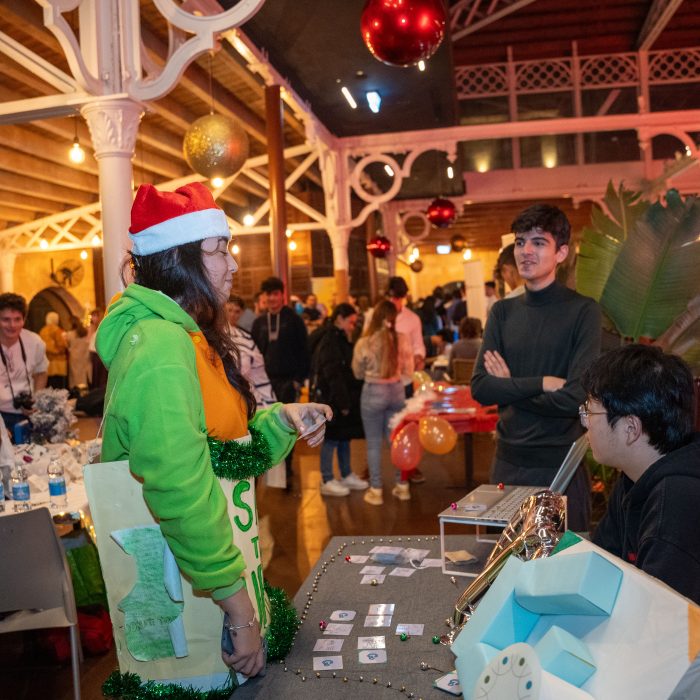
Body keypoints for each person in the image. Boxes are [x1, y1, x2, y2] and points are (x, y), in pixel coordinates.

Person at [96, 182, 331, 679]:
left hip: (209, 568)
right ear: (177, 259)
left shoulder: (188, 335)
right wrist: (238, 607)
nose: (233, 263)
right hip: (189, 586)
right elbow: (178, 485)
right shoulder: (161, 346)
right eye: (219, 249)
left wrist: (283, 419)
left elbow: (224, 448)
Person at [471, 203, 602, 532]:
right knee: (502, 559)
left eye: (539, 242)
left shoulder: (583, 312)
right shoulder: (502, 312)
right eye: (520, 242)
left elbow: (574, 399)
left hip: (559, 466)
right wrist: (541, 382)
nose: (526, 251)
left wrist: (510, 387)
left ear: (561, 253)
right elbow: (481, 388)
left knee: (559, 560)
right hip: (506, 464)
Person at [581, 344, 700, 605]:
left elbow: (659, 615)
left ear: (631, 428)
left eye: (590, 411)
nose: (586, 422)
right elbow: (601, 561)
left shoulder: (676, 504)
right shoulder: (634, 476)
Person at [352, 300, 413, 505]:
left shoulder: (365, 342)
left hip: (373, 391)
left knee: (373, 444)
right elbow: (409, 370)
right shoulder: (402, 339)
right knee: (396, 440)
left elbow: (357, 372)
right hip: (396, 390)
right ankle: (402, 486)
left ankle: (376, 490)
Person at [251, 276, 311, 484]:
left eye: (275, 294)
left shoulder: (294, 320)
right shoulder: (259, 323)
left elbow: (305, 351)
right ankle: (264, 465)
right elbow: (254, 354)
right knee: (264, 422)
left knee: (287, 425)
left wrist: (298, 380)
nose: (272, 298)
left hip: (288, 382)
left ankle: (286, 466)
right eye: (268, 294)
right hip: (264, 385)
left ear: (282, 295)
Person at [312, 303, 368, 497]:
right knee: (332, 438)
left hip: (341, 396)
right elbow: (333, 374)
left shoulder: (339, 338)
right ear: (340, 319)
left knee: (344, 436)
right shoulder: (330, 340)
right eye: (350, 322)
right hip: (333, 399)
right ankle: (327, 478)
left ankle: (346, 473)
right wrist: (343, 402)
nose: (353, 326)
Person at [0, 293, 48, 435]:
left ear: (24, 319)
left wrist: (36, 400)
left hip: (27, 414)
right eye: (6, 320)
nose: (12, 325)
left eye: (17, 319)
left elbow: (41, 372)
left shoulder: (35, 342)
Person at [224, 295, 276, 409]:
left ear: (242, 313)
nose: (232, 315)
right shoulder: (210, 336)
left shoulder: (247, 338)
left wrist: (271, 407)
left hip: (246, 402)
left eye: (237, 311)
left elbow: (259, 375)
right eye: (229, 310)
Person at [39, 311, 68, 389]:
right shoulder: (57, 330)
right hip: (58, 363)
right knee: (58, 386)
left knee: (49, 385)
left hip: (47, 362)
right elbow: (62, 345)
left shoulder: (42, 330)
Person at [65, 314, 90, 389]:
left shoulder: (70, 334)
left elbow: (67, 345)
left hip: (74, 356)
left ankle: (75, 391)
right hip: (84, 355)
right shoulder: (84, 332)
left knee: (74, 377)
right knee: (82, 375)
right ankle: (83, 390)